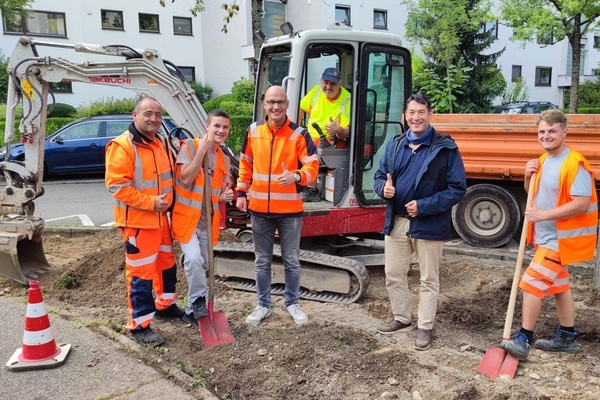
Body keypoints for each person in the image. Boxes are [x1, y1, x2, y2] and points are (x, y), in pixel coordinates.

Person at [499, 109, 597, 360]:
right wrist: (526, 175)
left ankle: (524, 339)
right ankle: (567, 336)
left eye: (552, 130)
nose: (546, 135)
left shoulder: (575, 164)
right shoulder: (541, 161)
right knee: (560, 288)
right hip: (546, 238)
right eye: (542, 131)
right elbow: (532, 192)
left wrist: (544, 216)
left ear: (565, 131)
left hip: (560, 240)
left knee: (530, 285)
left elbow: (581, 203)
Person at [373, 93, 466, 350]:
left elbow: (457, 188)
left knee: (428, 279)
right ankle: (402, 317)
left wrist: (423, 206)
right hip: (398, 221)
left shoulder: (445, 148)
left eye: (421, 112)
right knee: (393, 273)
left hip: (428, 222)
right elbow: (380, 176)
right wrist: (383, 189)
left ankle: (425, 327)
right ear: (405, 115)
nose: (416, 117)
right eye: (411, 112)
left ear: (430, 114)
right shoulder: (395, 144)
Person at [236, 85, 320, 326]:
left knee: (291, 259)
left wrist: (296, 176)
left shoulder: (299, 134)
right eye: (271, 102)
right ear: (264, 104)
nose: (275, 106)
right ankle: (263, 305)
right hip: (260, 210)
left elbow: (312, 167)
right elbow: (246, 165)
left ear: (287, 105)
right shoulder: (253, 131)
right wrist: (241, 191)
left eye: (280, 102)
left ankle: (292, 303)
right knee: (262, 260)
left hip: (290, 212)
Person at [105, 95, 182, 348]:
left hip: (161, 221)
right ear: (134, 115)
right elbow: (117, 186)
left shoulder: (160, 141)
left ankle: (165, 305)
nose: (154, 119)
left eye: (158, 115)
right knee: (141, 275)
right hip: (139, 224)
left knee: (166, 265)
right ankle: (139, 325)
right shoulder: (123, 146)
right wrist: (150, 203)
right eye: (148, 113)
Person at [172, 109, 233, 327]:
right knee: (194, 259)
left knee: (205, 264)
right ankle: (198, 300)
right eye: (217, 126)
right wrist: (202, 151)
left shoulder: (225, 160)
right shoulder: (188, 146)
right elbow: (186, 179)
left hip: (208, 222)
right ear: (207, 126)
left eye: (225, 127)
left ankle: (190, 311)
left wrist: (224, 197)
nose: (221, 130)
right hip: (188, 220)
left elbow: (216, 195)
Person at [298, 67, 351, 202]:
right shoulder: (316, 91)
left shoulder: (347, 100)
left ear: (340, 84)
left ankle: (312, 190)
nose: (328, 86)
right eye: (325, 82)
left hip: (330, 139)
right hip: (310, 134)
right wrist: (296, 129)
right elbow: (302, 107)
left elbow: (346, 133)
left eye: (332, 83)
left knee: (310, 147)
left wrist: (338, 129)